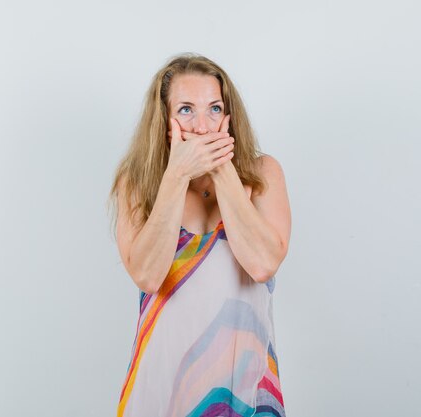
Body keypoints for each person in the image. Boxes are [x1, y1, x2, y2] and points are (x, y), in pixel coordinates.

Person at [107, 53, 292, 417]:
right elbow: (146, 275)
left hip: (247, 391)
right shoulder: (138, 184)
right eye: (187, 110)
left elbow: (263, 264)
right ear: (164, 120)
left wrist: (223, 171)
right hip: (161, 391)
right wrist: (175, 177)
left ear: (229, 117)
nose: (204, 126)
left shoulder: (262, 174)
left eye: (214, 108)